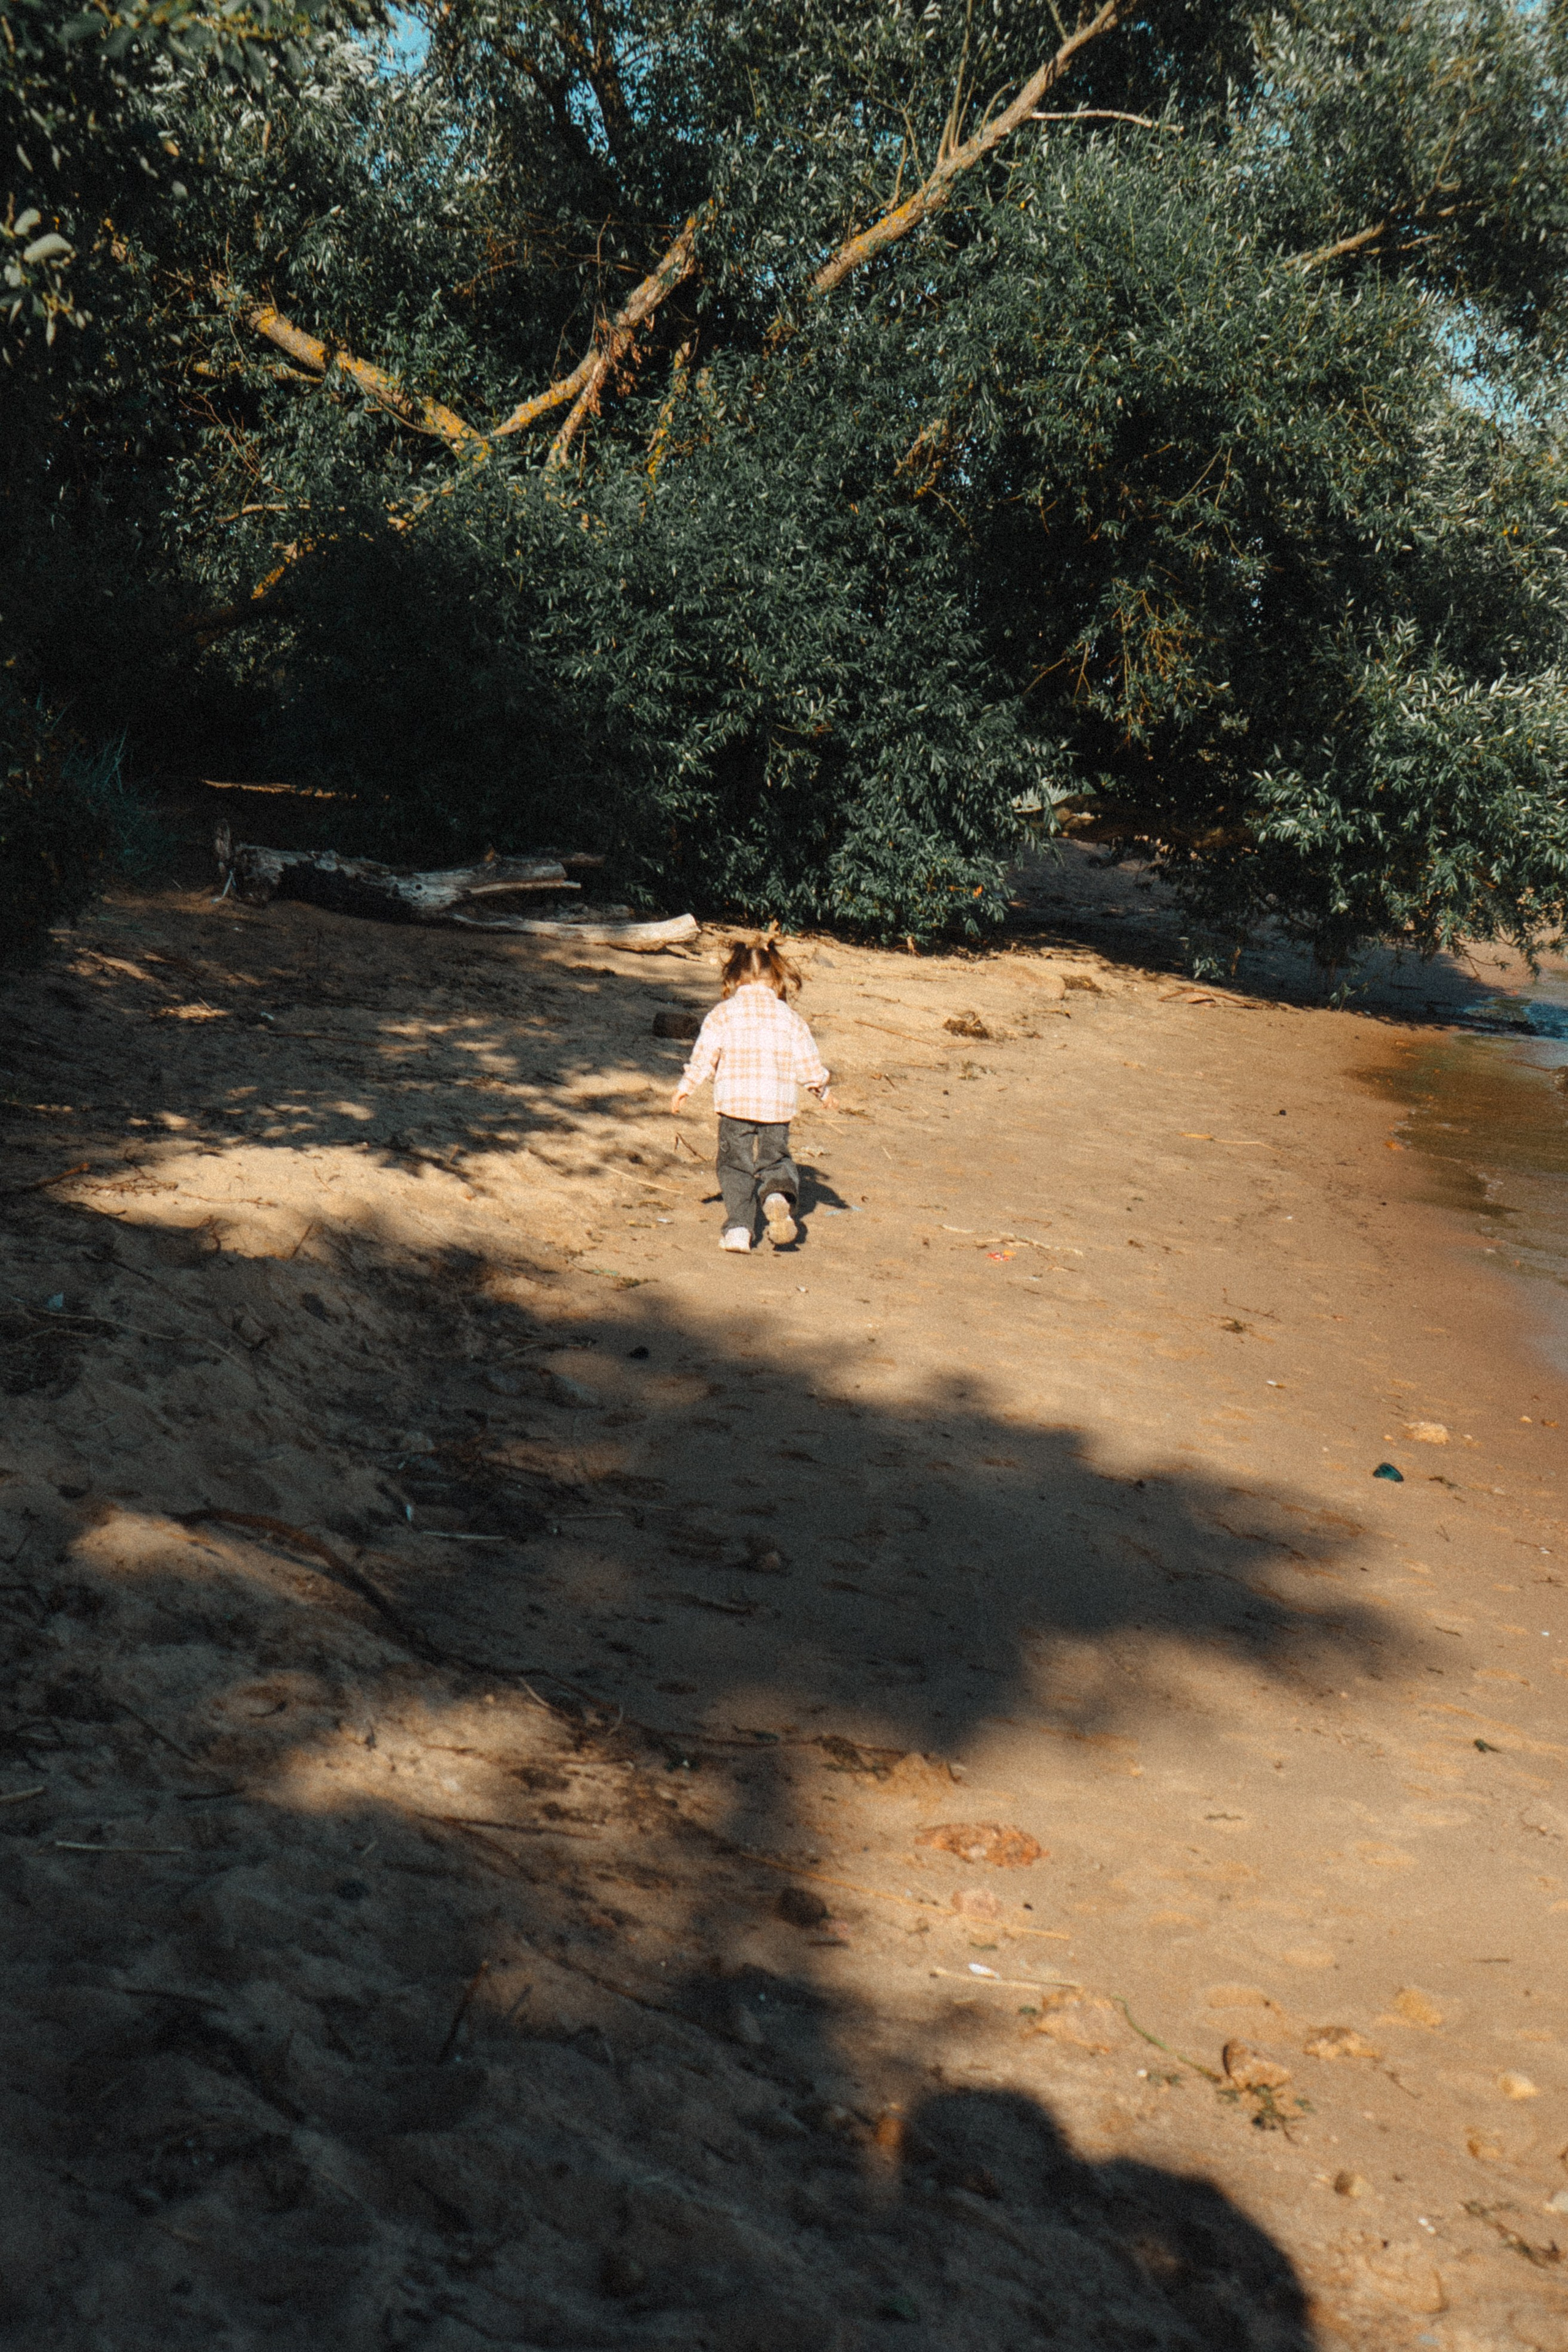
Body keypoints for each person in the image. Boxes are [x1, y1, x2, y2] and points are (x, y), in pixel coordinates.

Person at [671, 935, 832, 1252]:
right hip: (777, 1107)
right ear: (776, 978)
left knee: (735, 1166)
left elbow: (704, 1057)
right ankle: (774, 1195)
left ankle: (739, 1230)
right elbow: (808, 1063)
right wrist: (823, 1092)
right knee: (776, 1159)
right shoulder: (789, 1018)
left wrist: (685, 1089)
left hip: (734, 1104)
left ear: (733, 978)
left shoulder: (723, 1013)